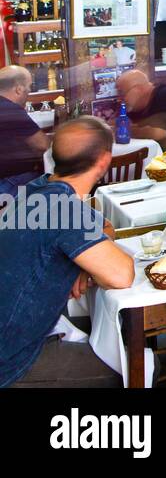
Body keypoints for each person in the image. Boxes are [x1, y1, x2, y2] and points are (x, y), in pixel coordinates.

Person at [0, 117, 136, 387]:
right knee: (136, 367)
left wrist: (86, 262)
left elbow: (104, 226)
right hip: (12, 361)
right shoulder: (64, 209)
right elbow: (122, 276)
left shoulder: (37, 190)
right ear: (104, 160)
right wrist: (91, 259)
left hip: (17, 336)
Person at [0, 66, 50, 195]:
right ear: (19, 89)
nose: (28, 92)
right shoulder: (10, 109)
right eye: (29, 87)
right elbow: (43, 145)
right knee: (59, 186)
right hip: (8, 181)